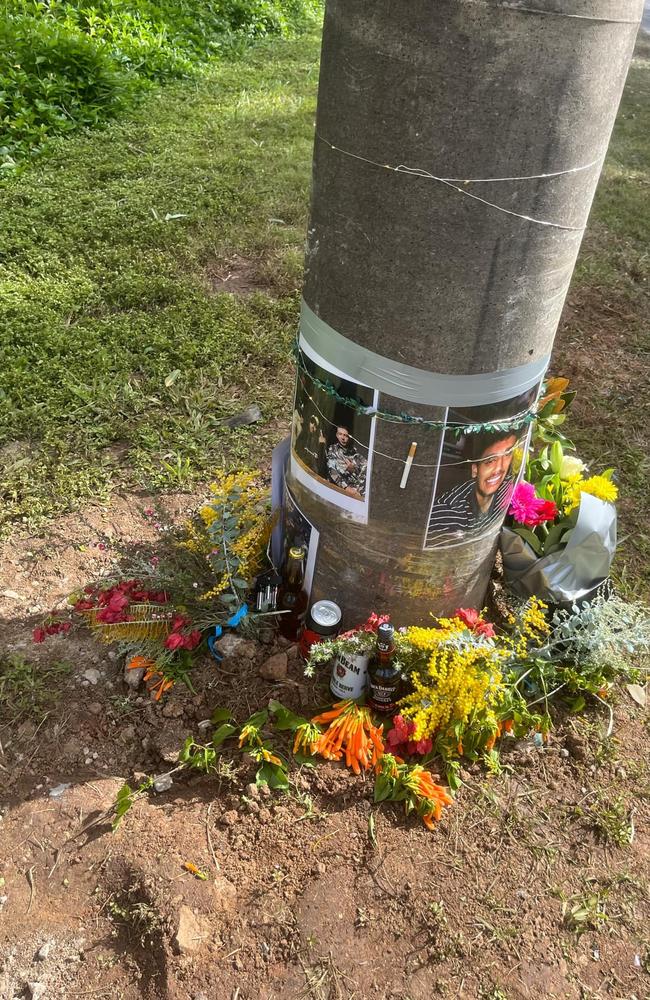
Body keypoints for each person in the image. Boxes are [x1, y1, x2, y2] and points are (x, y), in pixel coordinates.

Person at [425, 430, 518, 547]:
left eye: (507, 454)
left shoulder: (506, 487)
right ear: (475, 469)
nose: (499, 469)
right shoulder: (448, 513)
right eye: (490, 461)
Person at [326, 425, 368, 499]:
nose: (343, 438)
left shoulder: (354, 452)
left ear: (349, 437)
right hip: (339, 490)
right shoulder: (333, 449)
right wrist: (346, 488)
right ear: (336, 435)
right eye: (340, 434)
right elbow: (332, 470)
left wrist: (354, 469)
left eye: (345, 435)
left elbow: (366, 467)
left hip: (356, 492)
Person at [295, 413, 327, 478]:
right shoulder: (303, 435)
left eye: (316, 425)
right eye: (312, 422)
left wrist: (321, 445)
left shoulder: (320, 443)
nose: (313, 426)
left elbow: (319, 467)